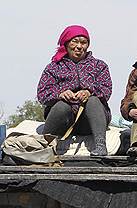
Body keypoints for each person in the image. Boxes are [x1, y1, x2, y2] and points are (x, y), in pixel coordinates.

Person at [37, 25, 112, 156]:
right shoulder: (53, 67)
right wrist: (60, 94)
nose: (79, 46)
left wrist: (89, 92)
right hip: (64, 120)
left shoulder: (99, 65)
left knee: (93, 101)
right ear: (66, 43)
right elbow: (42, 94)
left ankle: (100, 145)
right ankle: (43, 146)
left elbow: (106, 89)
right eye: (75, 41)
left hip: (88, 122)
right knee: (61, 106)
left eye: (83, 42)